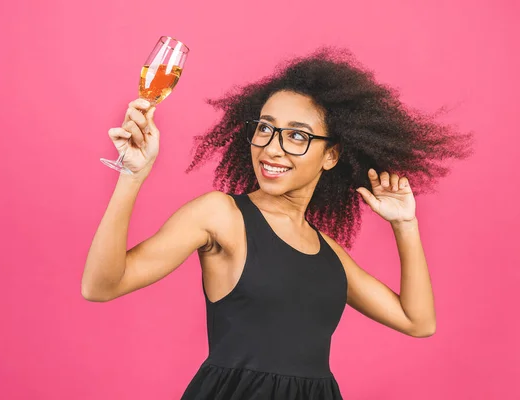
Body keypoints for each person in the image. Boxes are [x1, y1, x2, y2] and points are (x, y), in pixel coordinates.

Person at [82, 47, 473, 399]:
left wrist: (405, 225)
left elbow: (417, 321)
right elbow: (101, 286)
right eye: (265, 128)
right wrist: (132, 176)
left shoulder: (327, 251)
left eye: (297, 136)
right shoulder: (221, 215)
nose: (272, 147)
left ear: (331, 155)